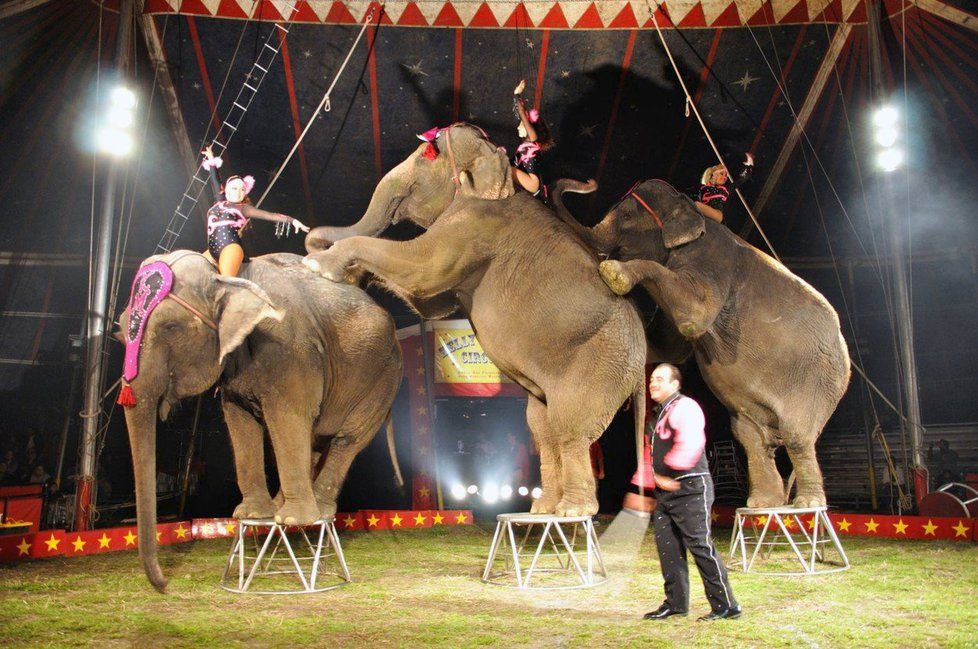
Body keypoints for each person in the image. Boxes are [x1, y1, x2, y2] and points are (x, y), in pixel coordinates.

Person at [643, 363, 741, 622]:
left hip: (690, 487)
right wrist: (640, 486)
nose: (653, 383)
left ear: (675, 384)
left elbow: (691, 442)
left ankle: (726, 605)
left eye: (660, 379)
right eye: (652, 379)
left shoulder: (685, 407)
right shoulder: (657, 415)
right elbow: (649, 456)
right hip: (665, 491)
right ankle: (675, 603)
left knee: (700, 546)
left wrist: (672, 471)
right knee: (668, 548)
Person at [200, 145, 309, 277]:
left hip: (230, 249)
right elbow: (215, 179)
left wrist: (293, 221)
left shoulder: (244, 209)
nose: (239, 192)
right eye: (235, 188)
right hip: (212, 250)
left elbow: (269, 215)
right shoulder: (220, 200)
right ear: (226, 189)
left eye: (242, 190)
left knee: (224, 283)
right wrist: (211, 158)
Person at [511, 79, 554, 200]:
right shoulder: (525, 145)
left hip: (532, 184)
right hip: (529, 183)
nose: (518, 126)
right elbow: (520, 113)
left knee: (504, 168)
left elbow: (522, 113)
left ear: (529, 127)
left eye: (522, 124)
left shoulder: (532, 139)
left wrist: (517, 94)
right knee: (502, 165)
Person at [692, 153, 754, 223]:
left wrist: (749, 165)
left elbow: (741, 179)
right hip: (704, 210)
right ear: (713, 174)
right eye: (721, 174)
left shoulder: (725, 189)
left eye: (726, 176)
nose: (724, 177)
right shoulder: (703, 188)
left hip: (717, 214)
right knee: (694, 204)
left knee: (697, 205)